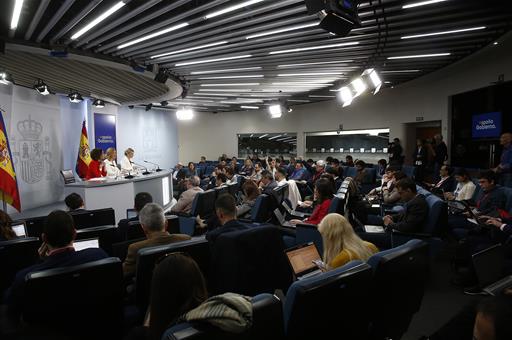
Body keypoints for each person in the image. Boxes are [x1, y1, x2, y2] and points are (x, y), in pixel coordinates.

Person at [5, 210, 108, 316]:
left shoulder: (25, 277)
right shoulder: (98, 256)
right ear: (74, 234)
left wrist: (41, 262)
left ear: (44, 238)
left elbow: (11, 306)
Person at [122, 203, 191, 276]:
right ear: (166, 224)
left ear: (143, 227)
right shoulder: (185, 239)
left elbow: (124, 273)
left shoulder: (135, 248)